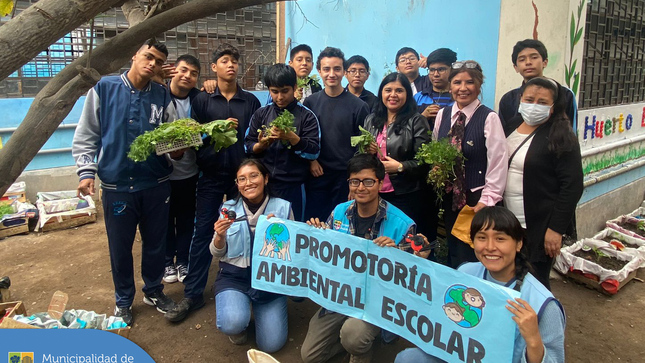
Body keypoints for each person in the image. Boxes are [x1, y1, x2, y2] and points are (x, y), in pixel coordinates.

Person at [72, 40, 177, 325]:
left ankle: (154, 290)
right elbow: (87, 134)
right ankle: (123, 301)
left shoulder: (162, 96)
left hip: (155, 183)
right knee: (120, 247)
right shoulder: (104, 89)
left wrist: (180, 146)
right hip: (117, 186)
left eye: (158, 60)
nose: (152, 63)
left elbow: (171, 137)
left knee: (156, 243)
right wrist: (86, 171)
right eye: (148, 56)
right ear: (135, 55)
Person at [395, 206, 566, 363]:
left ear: (519, 243)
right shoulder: (466, 273)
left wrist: (534, 340)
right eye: (482, 238)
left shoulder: (543, 305)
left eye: (500, 238)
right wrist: (416, 263)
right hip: (458, 357)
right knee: (408, 358)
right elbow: (437, 308)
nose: (490, 247)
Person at [165, 43, 261, 322]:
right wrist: (214, 130)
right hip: (209, 176)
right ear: (215, 67)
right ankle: (193, 294)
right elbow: (192, 137)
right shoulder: (203, 100)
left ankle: (253, 286)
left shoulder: (251, 101)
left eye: (235, 61)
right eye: (225, 61)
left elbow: (254, 140)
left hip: (242, 180)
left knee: (248, 230)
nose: (231, 65)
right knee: (204, 232)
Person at [301, 153, 419, 363]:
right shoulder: (339, 212)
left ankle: (361, 350)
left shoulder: (402, 224)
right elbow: (325, 257)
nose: (361, 188)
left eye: (368, 182)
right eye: (355, 181)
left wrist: (397, 254)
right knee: (310, 356)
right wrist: (317, 234)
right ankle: (349, 342)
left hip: (376, 301)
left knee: (354, 336)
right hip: (341, 295)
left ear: (381, 183)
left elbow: (412, 276)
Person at [503, 77, 583, 289]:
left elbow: (572, 186)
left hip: (538, 225)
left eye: (542, 102)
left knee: (535, 281)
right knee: (509, 277)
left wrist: (555, 229)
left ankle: (541, 320)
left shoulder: (561, 135)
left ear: (554, 106)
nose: (534, 106)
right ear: (520, 99)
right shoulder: (511, 125)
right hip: (508, 220)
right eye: (529, 99)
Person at [210, 159, 293, 352]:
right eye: (242, 179)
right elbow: (216, 253)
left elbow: (292, 254)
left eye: (254, 176)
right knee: (232, 322)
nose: (248, 183)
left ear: (265, 178)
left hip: (269, 281)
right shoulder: (228, 209)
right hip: (234, 277)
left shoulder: (283, 208)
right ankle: (239, 320)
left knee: (271, 345)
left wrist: (278, 232)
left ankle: (259, 308)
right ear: (237, 185)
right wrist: (220, 236)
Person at [432, 60, 508, 269]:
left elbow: (498, 162)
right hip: (451, 196)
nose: (463, 88)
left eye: (469, 82)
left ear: (479, 85)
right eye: (457, 82)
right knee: (455, 248)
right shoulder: (443, 115)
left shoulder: (488, 117)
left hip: (477, 198)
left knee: (477, 250)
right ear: (450, 86)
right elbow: (436, 148)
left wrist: (488, 199)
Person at [363, 72, 435, 242]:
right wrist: (366, 151)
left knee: (402, 240)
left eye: (399, 90)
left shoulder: (417, 121)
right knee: (376, 240)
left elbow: (425, 162)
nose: (393, 95)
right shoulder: (371, 120)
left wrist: (401, 167)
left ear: (407, 94)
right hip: (375, 192)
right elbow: (360, 157)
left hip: (405, 193)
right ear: (381, 93)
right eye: (388, 90)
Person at [244, 63, 321, 221]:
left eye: (285, 91)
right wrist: (260, 145)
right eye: (274, 91)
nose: (280, 97)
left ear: (294, 88)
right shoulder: (261, 114)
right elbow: (247, 145)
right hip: (265, 186)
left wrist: (293, 138)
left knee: (292, 230)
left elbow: (314, 150)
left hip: (294, 186)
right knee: (263, 231)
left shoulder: (307, 116)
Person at [303, 47, 370, 221]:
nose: (331, 74)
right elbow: (305, 138)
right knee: (315, 224)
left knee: (343, 226)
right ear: (319, 71)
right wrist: (312, 161)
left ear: (344, 72)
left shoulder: (359, 106)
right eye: (326, 69)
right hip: (317, 175)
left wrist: (354, 181)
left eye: (337, 69)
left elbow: (362, 149)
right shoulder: (311, 103)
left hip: (345, 178)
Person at [163, 54, 202, 284]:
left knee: (187, 219)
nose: (188, 76)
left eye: (194, 73)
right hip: (163, 173)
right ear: (174, 71)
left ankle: (183, 261)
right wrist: (171, 152)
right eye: (184, 70)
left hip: (191, 171)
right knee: (166, 220)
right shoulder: (158, 96)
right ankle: (167, 262)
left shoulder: (199, 99)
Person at [498, 39, 578, 135]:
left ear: (545, 62)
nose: (528, 62)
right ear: (516, 67)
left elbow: (571, 131)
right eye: (522, 59)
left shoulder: (564, 94)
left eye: (534, 57)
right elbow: (502, 134)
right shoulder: (508, 99)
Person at [413, 48, 457, 125]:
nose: (436, 74)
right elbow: (407, 128)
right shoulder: (419, 97)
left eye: (441, 69)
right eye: (432, 70)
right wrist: (423, 117)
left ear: (452, 70)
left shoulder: (459, 97)